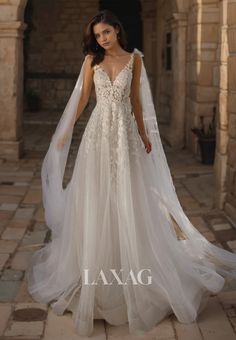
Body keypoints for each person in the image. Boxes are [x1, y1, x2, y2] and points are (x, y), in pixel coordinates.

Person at [26, 9, 236, 337]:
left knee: (129, 196)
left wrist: (143, 132)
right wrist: (66, 130)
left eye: (106, 32)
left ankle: (137, 271)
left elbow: (136, 101)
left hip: (125, 137)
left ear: (117, 30)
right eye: (98, 35)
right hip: (98, 136)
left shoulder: (135, 60)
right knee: (97, 196)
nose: (102, 39)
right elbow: (82, 99)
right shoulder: (91, 61)